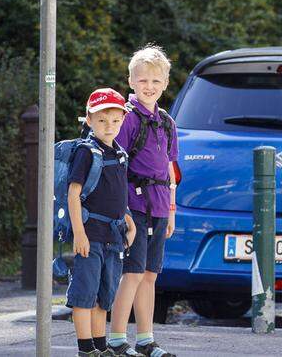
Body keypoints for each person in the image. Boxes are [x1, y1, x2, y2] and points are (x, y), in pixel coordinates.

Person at [108, 45, 178, 357]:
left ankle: (146, 339)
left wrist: (172, 211)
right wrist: (122, 213)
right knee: (133, 273)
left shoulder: (166, 122)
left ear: (165, 83)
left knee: (150, 275)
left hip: (161, 206)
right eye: (142, 80)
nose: (149, 86)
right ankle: (117, 338)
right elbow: (116, 166)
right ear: (131, 81)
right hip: (133, 208)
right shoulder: (127, 119)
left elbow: (169, 170)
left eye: (155, 81)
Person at [67, 88, 136, 357]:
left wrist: (128, 219)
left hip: (114, 235)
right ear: (89, 120)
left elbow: (117, 193)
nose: (110, 126)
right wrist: (79, 234)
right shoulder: (87, 151)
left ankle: (100, 345)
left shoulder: (119, 153)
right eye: (102, 120)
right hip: (91, 233)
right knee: (85, 293)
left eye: (116, 121)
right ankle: (86, 350)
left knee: (104, 295)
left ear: (123, 120)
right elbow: (74, 194)